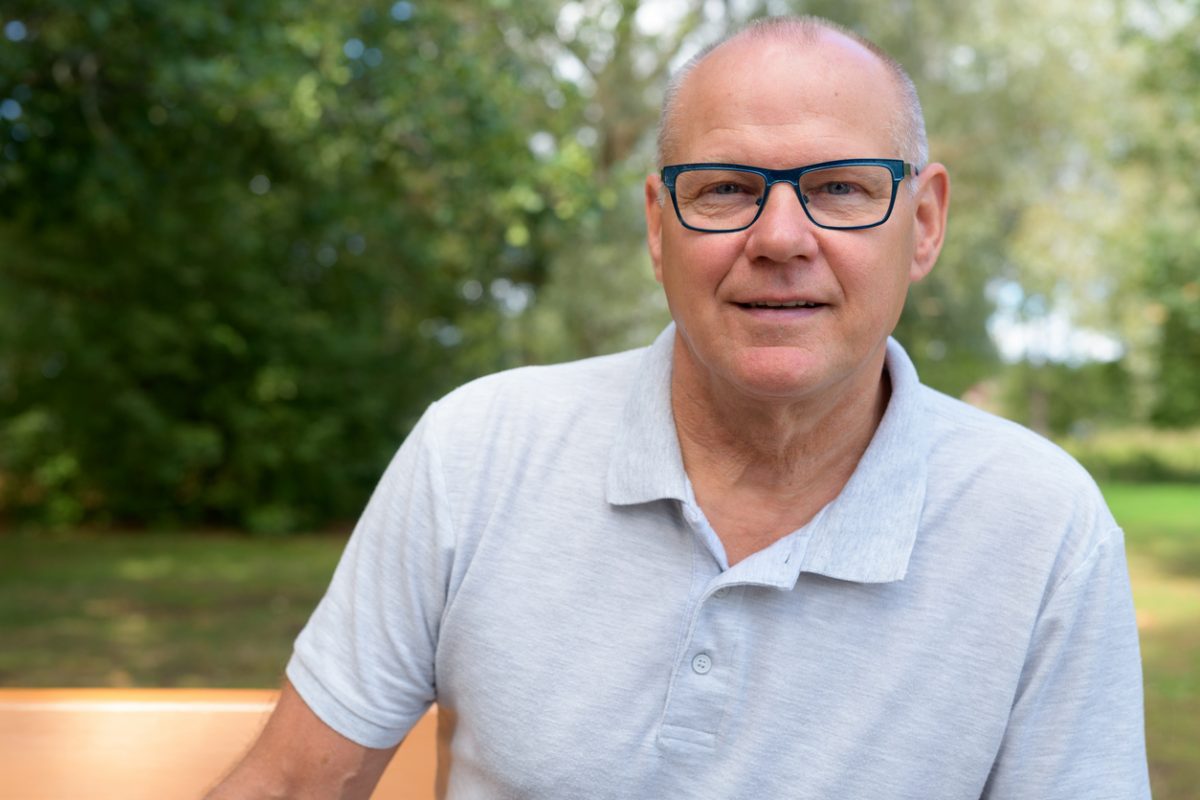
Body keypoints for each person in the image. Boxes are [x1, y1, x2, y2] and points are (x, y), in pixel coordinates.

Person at [207, 15, 1150, 800]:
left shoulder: (1044, 528)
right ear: (658, 227)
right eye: (729, 189)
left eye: (839, 188)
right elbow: (293, 785)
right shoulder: (478, 450)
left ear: (925, 222)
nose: (782, 238)